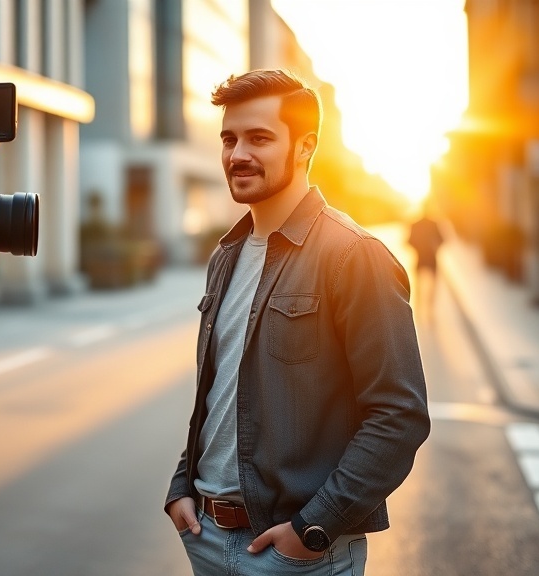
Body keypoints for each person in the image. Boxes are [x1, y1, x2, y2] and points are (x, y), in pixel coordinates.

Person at [164, 69, 431, 575]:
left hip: (297, 556)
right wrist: (182, 487)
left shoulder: (353, 256)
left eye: (259, 138)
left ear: (305, 146)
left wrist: (313, 529)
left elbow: (400, 416)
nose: (238, 153)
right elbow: (219, 396)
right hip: (205, 537)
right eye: (229, 138)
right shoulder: (227, 255)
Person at [407, 203, 446, 316]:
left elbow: (408, 241)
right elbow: (442, 240)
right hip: (431, 258)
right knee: (431, 284)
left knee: (419, 284)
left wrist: (418, 247)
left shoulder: (415, 224)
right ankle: (428, 309)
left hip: (420, 258)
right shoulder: (434, 224)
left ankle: (418, 309)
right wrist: (434, 246)